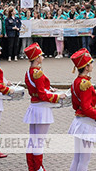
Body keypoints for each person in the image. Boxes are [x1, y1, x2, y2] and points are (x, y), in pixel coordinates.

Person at [68, 48, 96, 171]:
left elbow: (77, 105)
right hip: (86, 124)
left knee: (77, 158)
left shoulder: (76, 81)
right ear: (86, 67)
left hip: (79, 121)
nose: (92, 65)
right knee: (84, 161)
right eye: (90, 63)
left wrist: (94, 106)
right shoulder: (85, 83)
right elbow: (86, 108)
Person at [24, 42, 61, 171]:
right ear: (37, 58)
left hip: (34, 107)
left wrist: (49, 88)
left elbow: (35, 90)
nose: (43, 57)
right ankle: (39, 168)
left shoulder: (29, 72)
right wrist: (57, 97)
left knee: (33, 140)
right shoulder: (38, 72)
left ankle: (32, 167)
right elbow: (41, 94)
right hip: (41, 108)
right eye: (41, 55)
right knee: (39, 141)